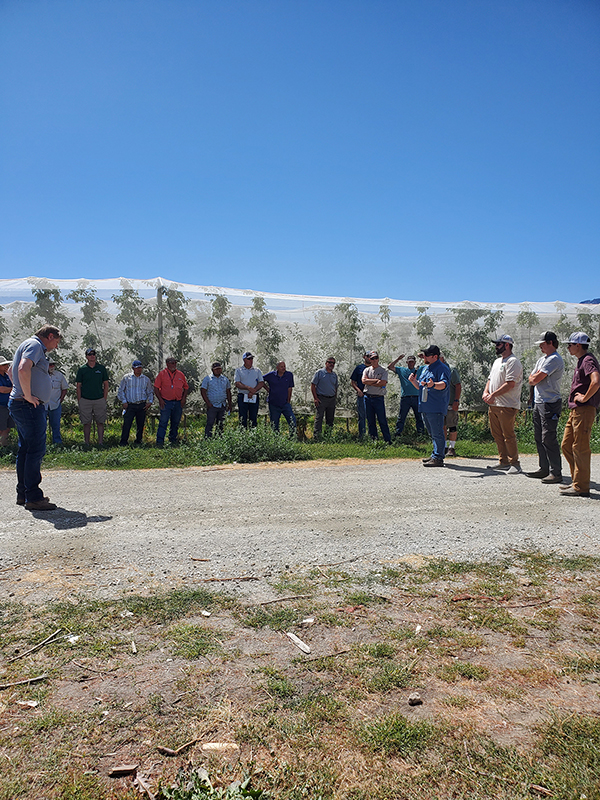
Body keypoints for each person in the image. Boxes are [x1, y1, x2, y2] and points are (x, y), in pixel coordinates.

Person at [8, 325, 61, 510]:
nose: (55, 346)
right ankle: (33, 497)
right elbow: (23, 369)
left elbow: (10, 371)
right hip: (28, 406)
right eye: (56, 342)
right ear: (50, 335)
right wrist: (28, 395)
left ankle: (23, 493)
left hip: (21, 404)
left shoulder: (27, 344)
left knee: (25, 449)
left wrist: (20, 390)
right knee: (35, 450)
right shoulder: (36, 345)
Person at [560, 332, 600, 498]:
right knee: (567, 445)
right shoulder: (581, 361)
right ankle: (577, 480)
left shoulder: (588, 360)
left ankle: (581, 487)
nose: (568, 347)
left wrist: (584, 397)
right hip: (576, 410)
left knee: (580, 448)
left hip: (584, 409)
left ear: (578, 345)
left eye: (570, 344)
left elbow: (596, 381)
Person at [526, 331, 564, 483]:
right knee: (539, 436)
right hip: (539, 401)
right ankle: (544, 468)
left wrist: (534, 378)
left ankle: (556, 472)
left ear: (550, 343)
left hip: (550, 402)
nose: (540, 346)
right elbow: (531, 379)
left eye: (542, 344)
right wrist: (534, 378)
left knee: (548, 437)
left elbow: (535, 378)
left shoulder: (554, 359)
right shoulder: (542, 359)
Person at [483, 334, 523, 474]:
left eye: (499, 344)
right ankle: (503, 461)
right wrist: (486, 392)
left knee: (508, 435)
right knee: (497, 434)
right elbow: (490, 379)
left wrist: (493, 395)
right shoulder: (497, 361)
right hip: (494, 405)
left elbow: (510, 384)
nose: (496, 346)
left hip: (507, 405)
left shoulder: (513, 361)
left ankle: (515, 464)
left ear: (507, 345)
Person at [408, 345, 450, 466]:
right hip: (425, 406)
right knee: (432, 432)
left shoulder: (442, 368)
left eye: (427, 355)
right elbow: (421, 386)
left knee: (437, 432)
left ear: (435, 356)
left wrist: (433, 385)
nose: (424, 357)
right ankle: (435, 454)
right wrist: (413, 381)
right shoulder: (426, 368)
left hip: (435, 406)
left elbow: (444, 384)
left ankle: (438, 457)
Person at [76, 348, 109, 445]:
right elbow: (78, 386)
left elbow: (106, 384)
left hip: (99, 399)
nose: (92, 356)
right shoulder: (82, 369)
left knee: (100, 422)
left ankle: (100, 443)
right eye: (90, 354)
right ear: (86, 356)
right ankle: (86, 442)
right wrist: (80, 400)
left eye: (93, 354)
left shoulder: (101, 368)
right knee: (86, 423)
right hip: (85, 400)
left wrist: (104, 398)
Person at [387, 354, 425, 437]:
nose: (411, 363)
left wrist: (424, 357)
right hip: (405, 397)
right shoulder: (402, 370)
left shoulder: (420, 369)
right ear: (407, 362)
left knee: (419, 416)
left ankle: (421, 433)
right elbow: (390, 367)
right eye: (409, 362)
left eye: (412, 362)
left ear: (415, 362)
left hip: (416, 397)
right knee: (402, 417)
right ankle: (398, 433)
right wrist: (397, 359)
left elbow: (430, 365)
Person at [117, 360, 154, 445]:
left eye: (140, 368)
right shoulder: (126, 378)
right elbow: (121, 390)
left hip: (141, 405)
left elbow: (150, 391)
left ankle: (138, 441)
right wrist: (124, 401)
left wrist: (150, 402)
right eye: (137, 368)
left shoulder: (145, 379)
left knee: (140, 425)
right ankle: (123, 441)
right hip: (130, 405)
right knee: (127, 424)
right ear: (133, 368)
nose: (139, 370)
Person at [154, 357, 189, 445]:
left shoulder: (180, 374)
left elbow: (186, 387)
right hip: (166, 402)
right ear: (167, 364)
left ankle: (172, 440)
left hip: (178, 402)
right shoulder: (162, 374)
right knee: (163, 422)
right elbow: (156, 388)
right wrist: (160, 400)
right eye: (172, 363)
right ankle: (159, 442)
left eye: (175, 363)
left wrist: (183, 398)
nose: (174, 365)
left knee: (175, 422)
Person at [362, 351, 391, 443]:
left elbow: (383, 383)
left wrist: (369, 382)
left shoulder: (383, 370)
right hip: (368, 397)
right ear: (369, 359)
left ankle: (387, 440)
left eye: (376, 358)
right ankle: (374, 439)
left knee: (382, 419)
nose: (374, 360)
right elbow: (363, 381)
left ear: (378, 359)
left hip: (378, 398)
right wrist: (376, 381)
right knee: (370, 420)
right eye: (372, 358)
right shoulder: (366, 370)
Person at [263, 360, 296, 435]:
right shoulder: (271, 375)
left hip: (285, 403)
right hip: (273, 403)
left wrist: (288, 400)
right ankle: (276, 439)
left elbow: (290, 388)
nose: (283, 368)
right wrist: (267, 389)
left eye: (284, 366)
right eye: (281, 366)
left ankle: (292, 437)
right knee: (274, 423)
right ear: (277, 367)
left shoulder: (289, 375)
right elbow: (261, 380)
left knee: (292, 420)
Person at [201, 361, 233, 438]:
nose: (218, 370)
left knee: (221, 424)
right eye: (216, 369)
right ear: (212, 370)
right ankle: (208, 439)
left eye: (219, 369)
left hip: (222, 405)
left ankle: (219, 439)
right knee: (210, 423)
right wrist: (208, 403)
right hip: (212, 405)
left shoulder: (225, 379)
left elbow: (228, 392)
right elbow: (203, 391)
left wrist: (229, 404)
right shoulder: (208, 379)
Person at [234, 352, 264, 428]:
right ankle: (242, 435)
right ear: (244, 360)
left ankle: (253, 435)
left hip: (254, 396)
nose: (251, 360)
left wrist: (254, 391)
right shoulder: (239, 370)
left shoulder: (257, 370)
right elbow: (237, 383)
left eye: (252, 359)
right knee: (242, 417)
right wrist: (248, 388)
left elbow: (261, 382)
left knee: (253, 417)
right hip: (242, 396)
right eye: (249, 359)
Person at [311, 357, 338, 438]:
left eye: (333, 363)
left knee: (330, 419)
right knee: (319, 418)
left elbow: (336, 387)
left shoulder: (334, 375)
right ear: (326, 363)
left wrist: (335, 397)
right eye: (329, 362)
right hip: (321, 398)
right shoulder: (319, 373)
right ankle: (317, 436)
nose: (331, 364)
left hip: (331, 399)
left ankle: (328, 436)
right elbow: (313, 385)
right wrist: (315, 398)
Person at [45, 359, 69, 445]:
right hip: (42, 405)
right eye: (50, 365)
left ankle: (57, 444)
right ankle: (41, 444)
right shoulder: (40, 375)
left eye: (53, 364)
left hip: (55, 404)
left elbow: (64, 389)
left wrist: (60, 400)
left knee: (56, 426)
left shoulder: (59, 375)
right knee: (41, 426)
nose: (52, 366)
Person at [441, 357, 461, 458]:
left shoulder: (451, 370)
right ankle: (444, 447)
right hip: (440, 403)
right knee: (442, 426)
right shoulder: (437, 369)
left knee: (452, 425)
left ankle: (451, 448)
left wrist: (456, 401)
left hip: (450, 402)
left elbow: (458, 385)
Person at [350, 352, 371, 438]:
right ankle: (362, 436)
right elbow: (353, 382)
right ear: (364, 357)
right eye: (368, 356)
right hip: (362, 395)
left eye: (371, 357)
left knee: (371, 416)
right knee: (362, 416)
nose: (369, 358)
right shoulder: (359, 368)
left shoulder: (375, 368)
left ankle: (372, 435)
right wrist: (358, 390)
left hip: (373, 395)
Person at [0, 357, 14, 447]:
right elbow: (2, 389)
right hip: (1, 405)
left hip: (7, 405)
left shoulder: (7, 376)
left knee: (7, 427)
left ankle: (4, 446)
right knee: (1, 427)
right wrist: (13, 390)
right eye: (4, 365)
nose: (7, 366)